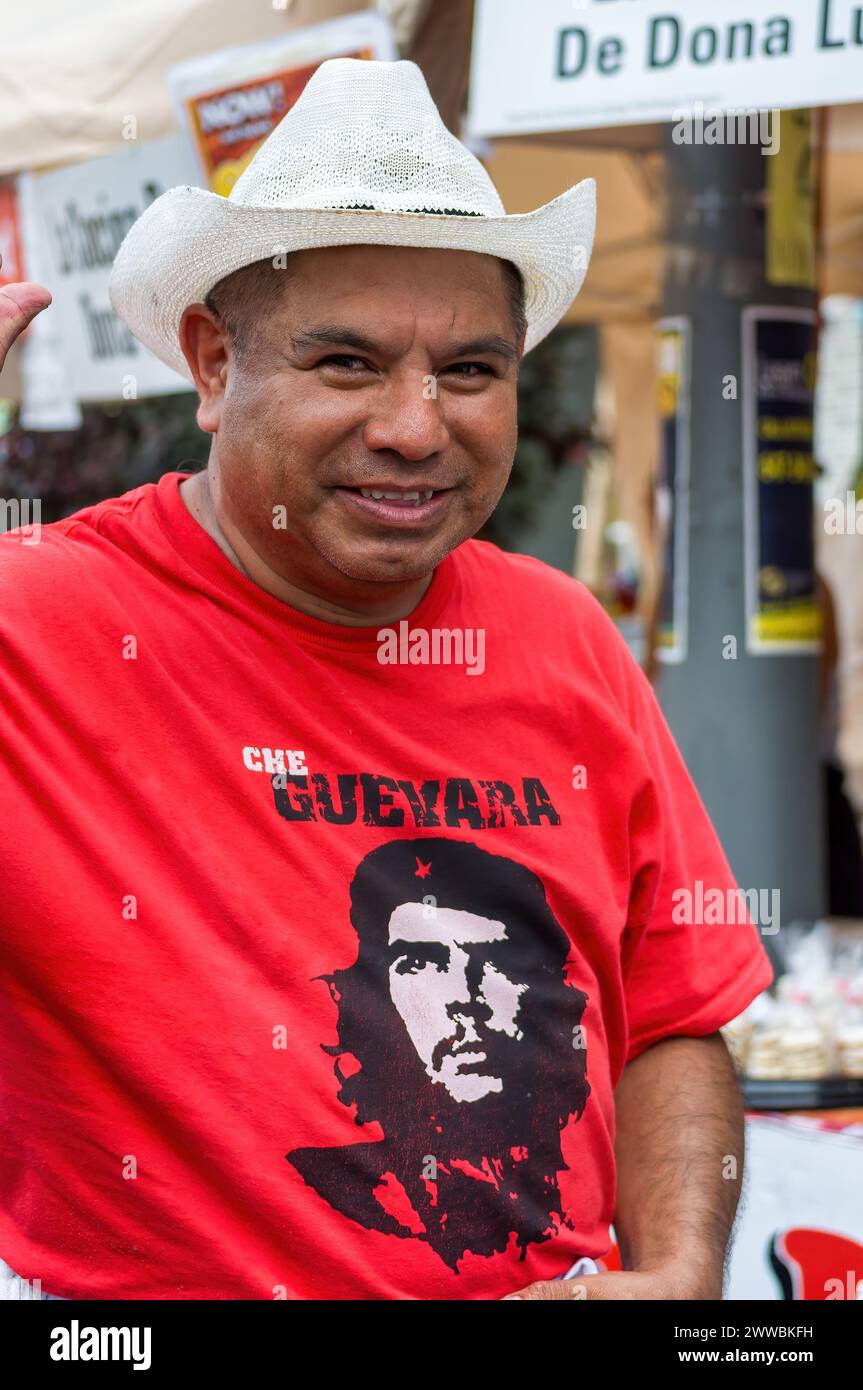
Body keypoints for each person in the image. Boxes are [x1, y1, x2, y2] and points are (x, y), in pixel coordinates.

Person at [0, 57, 772, 1302]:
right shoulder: (34, 626)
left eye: (470, 371)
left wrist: (679, 1273)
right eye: (347, 364)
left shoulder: (561, 635)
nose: (417, 426)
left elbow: (674, 1010)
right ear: (210, 365)